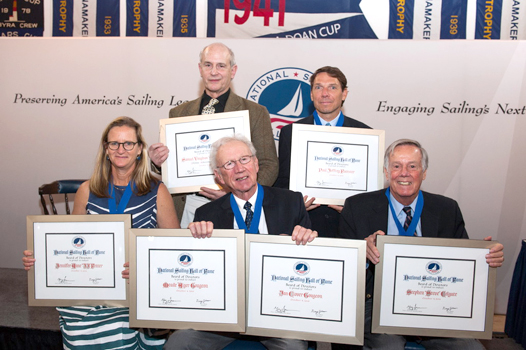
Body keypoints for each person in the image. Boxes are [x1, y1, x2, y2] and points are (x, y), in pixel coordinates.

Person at [23, 117, 180, 349]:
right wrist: (40, 260)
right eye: (114, 143)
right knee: (76, 314)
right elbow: (71, 245)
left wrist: (142, 267)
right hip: (93, 283)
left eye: (128, 143)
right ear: (106, 149)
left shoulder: (156, 190)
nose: (121, 149)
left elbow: (174, 247)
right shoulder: (87, 190)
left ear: (139, 149)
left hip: (135, 284)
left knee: (122, 326)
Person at [336, 139, 504, 350]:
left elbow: (462, 269)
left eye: (412, 166)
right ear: (387, 172)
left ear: (424, 173)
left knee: (471, 348)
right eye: (396, 166)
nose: (404, 173)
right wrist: (362, 250)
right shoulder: (357, 206)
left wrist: (485, 260)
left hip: (433, 305)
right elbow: (343, 272)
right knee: (390, 347)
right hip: (378, 305)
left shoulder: (446, 209)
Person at [163, 134, 317, 350]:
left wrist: (307, 243)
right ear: (219, 176)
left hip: (275, 308)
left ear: (255, 163)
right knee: (179, 343)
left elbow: (310, 267)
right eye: (229, 164)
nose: (239, 169)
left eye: (244, 159)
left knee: (293, 346)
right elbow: (196, 275)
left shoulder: (291, 202)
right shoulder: (206, 214)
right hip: (224, 311)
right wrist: (194, 241)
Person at [149, 42, 278, 227]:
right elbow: (173, 166)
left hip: (236, 204)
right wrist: (158, 162)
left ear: (233, 71)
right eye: (208, 65)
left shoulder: (255, 112)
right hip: (187, 205)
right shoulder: (178, 113)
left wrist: (238, 193)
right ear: (200, 69)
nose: (214, 72)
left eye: (221, 66)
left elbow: (269, 164)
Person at [275, 66, 371, 238]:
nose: (325, 93)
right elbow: (283, 181)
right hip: (305, 226)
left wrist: (354, 208)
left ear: (344, 94)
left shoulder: (364, 134)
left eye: (332, 87)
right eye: (318, 87)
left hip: (348, 226)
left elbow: (370, 194)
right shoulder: (291, 133)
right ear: (311, 95)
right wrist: (296, 205)